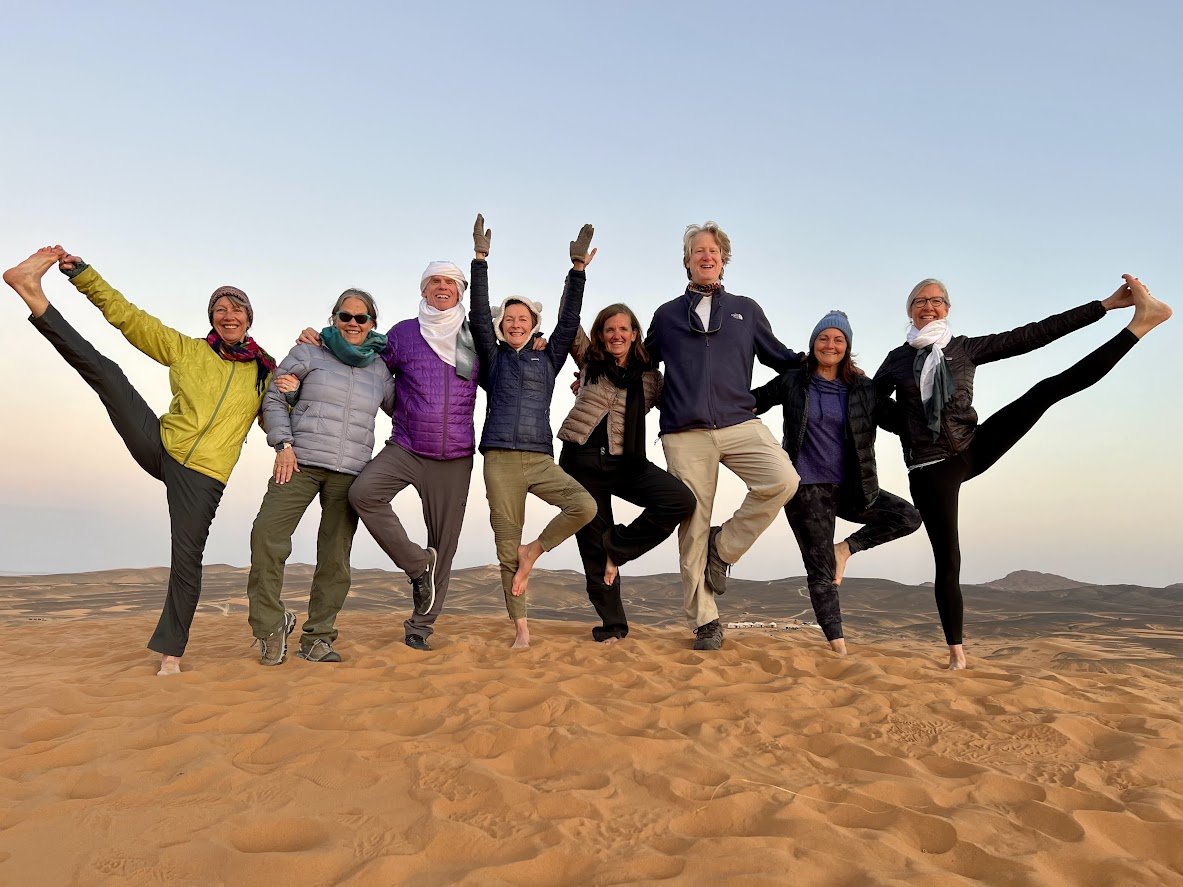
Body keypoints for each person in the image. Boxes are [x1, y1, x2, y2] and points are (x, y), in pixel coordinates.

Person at [874, 275, 1172, 670]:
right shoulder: (896, 360)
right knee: (948, 559)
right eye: (920, 301)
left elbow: (1036, 334)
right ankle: (957, 655)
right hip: (930, 467)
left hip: (972, 446)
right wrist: (912, 421)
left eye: (937, 301)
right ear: (909, 309)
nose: (928, 306)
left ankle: (1140, 325)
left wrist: (1104, 306)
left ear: (948, 308)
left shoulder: (964, 349)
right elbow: (873, 407)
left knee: (1046, 390)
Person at [4, 246, 274, 676]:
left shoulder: (264, 373)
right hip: (161, 444)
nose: (228, 314)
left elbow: (280, 417)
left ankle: (171, 656)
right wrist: (84, 276)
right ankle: (33, 295)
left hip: (202, 478)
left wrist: (302, 373)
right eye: (220, 308)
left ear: (249, 318)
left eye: (236, 308)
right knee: (107, 374)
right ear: (211, 318)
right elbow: (128, 317)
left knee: (186, 561)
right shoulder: (186, 350)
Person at [298, 251, 481, 652]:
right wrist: (321, 339)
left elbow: (507, 369)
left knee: (445, 543)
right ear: (424, 289)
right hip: (408, 445)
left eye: (451, 283)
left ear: (461, 290)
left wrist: (536, 342)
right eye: (435, 282)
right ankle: (418, 565)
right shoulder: (402, 334)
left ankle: (420, 629)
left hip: (455, 455)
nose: (443, 288)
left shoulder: (477, 338)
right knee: (363, 493)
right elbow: (360, 359)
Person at [644, 221, 804, 650]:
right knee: (692, 523)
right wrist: (595, 378)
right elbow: (640, 367)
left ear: (723, 259)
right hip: (684, 432)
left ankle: (725, 547)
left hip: (739, 422)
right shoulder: (665, 315)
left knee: (783, 480)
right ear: (688, 260)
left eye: (713, 250)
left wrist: (828, 366)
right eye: (698, 250)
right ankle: (706, 621)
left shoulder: (746, 310)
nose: (706, 256)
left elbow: (781, 357)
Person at [752, 310, 921, 654]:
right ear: (813, 343)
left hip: (852, 487)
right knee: (820, 570)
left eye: (838, 339)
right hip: (806, 489)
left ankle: (845, 549)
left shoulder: (863, 389)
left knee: (908, 517)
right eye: (824, 338)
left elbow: (901, 421)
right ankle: (839, 647)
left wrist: (934, 407)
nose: (830, 344)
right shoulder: (793, 381)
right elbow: (751, 403)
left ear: (847, 347)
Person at [246, 289, 395, 665]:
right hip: (298, 462)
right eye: (345, 317)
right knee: (267, 536)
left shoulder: (380, 369)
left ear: (372, 324)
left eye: (361, 319)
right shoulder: (307, 352)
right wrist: (282, 444)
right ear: (334, 319)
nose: (352, 324)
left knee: (335, 558)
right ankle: (270, 625)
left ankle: (318, 637)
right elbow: (274, 398)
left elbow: (404, 409)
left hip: (351, 472)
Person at [469, 215, 598, 649]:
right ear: (502, 324)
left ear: (533, 324)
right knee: (506, 544)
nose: (515, 324)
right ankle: (521, 628)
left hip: (540, 458)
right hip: (500, 460)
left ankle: (535, 551)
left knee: (584, 505)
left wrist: (577, 271)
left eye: (523, 318)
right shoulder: (494, 356)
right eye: (509, 318)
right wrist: (480, 260)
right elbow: (477, 316)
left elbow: (569, 321)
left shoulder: (549, 357)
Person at [558, 305, 696, 643]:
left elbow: (683, 404)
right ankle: (613, 627)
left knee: (679, 500)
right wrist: (577, 271)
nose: (616, 335)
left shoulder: (651, 377)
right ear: (601, 335)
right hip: (581, 463)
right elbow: (568, 320)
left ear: (635, 333)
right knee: (592, 548)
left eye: (623, 329)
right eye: (609, 329)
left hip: (626, 463)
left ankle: (618, 547)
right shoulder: (590, 363)